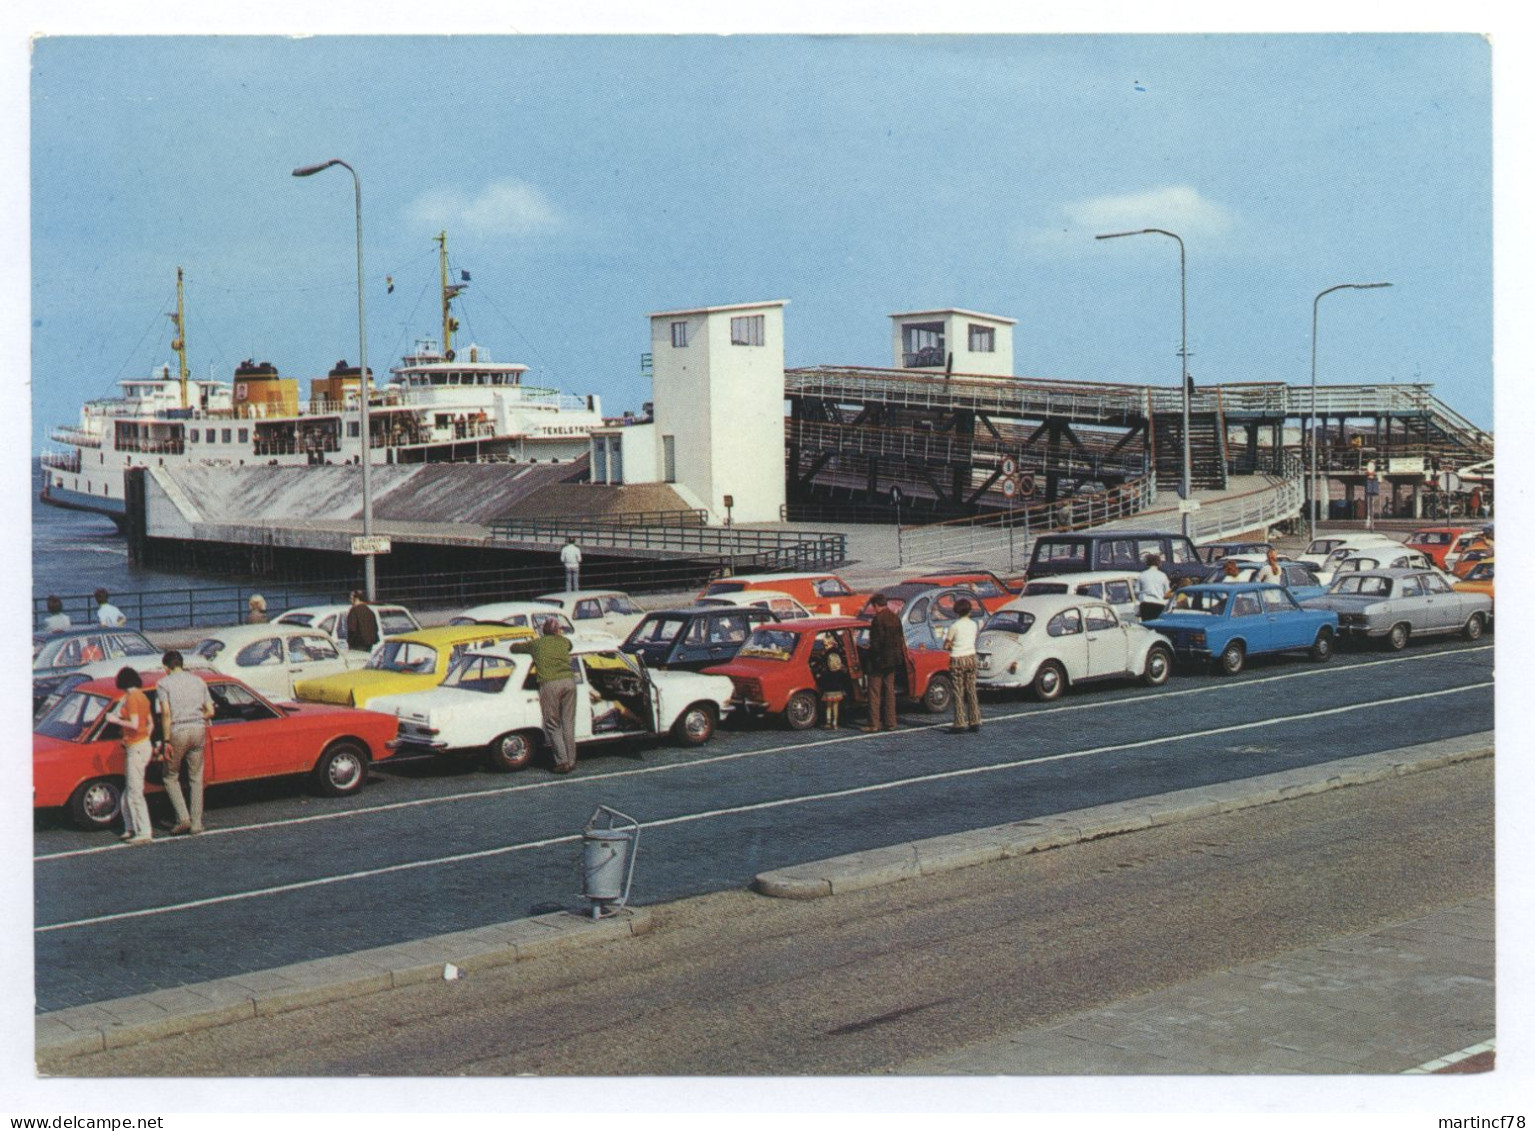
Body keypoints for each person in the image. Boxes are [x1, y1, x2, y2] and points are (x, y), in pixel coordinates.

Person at [156, 649, 215, 835]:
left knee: (170, 776)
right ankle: (197, 823)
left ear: (166, 667)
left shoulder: (163, 684)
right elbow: (211, 711)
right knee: (196, 778)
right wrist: (196, 717)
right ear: (182, 664)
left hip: (178, 730)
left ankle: (183, 818)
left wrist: (166, 740)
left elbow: (165, 713)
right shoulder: (198, 681)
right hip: (198, 729)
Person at [509, 618, 578, 773]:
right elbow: (570, 645)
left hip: (549, 684)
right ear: (558, 630)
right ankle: (572, 760)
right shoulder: (564, 642)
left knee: (553, 723)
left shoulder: (536, 644)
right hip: (569, 682)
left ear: (543, 631)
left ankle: (562, 762)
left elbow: (514, 648)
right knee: (568, 722)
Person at [105, 667, 155, 845]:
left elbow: (134, 724)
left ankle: (144, 832)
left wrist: (115, 721)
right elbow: (150, 723)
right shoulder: (141, 696)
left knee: (134, 793)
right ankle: (130, 827)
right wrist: (145, 738)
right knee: (128, 792)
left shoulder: (132, 698)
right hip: (142, 745)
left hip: (136, 747)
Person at [863, 593, 907, 733]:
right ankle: (890, 721)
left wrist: (869, 657)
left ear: (876, 605)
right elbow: (900, 639)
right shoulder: (895, 618)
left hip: (879, 662)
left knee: (874, 692)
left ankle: (874, 723)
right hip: (893, 660)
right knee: (889, 691)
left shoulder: (878, 620)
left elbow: (876, 644)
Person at [943, 597, 981, 734]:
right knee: (971, 689)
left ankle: (959, 721)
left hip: (957, 658)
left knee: (958, 691)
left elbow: (947, 644)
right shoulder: (974, 624)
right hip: (970, 657)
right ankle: (975, 720)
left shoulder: (954, 626)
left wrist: (950, 645)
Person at [817, 642, 851, 730]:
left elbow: (821, 681)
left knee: (828, 707)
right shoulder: (840, 673)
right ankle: (835, 722)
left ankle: (828, 722)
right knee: (835, 707)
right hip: (837, 692)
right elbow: (844, 681)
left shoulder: (825, 673)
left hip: (828, 692)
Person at [1137, 554, 1170, 621]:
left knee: (1147, 627)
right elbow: (1167, 592)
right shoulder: (1162, 575)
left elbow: (1137, 591)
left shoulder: (1142, 575)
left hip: (1145, 604)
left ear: (1147, 563)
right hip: (1159, 604)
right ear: (1159, 563)